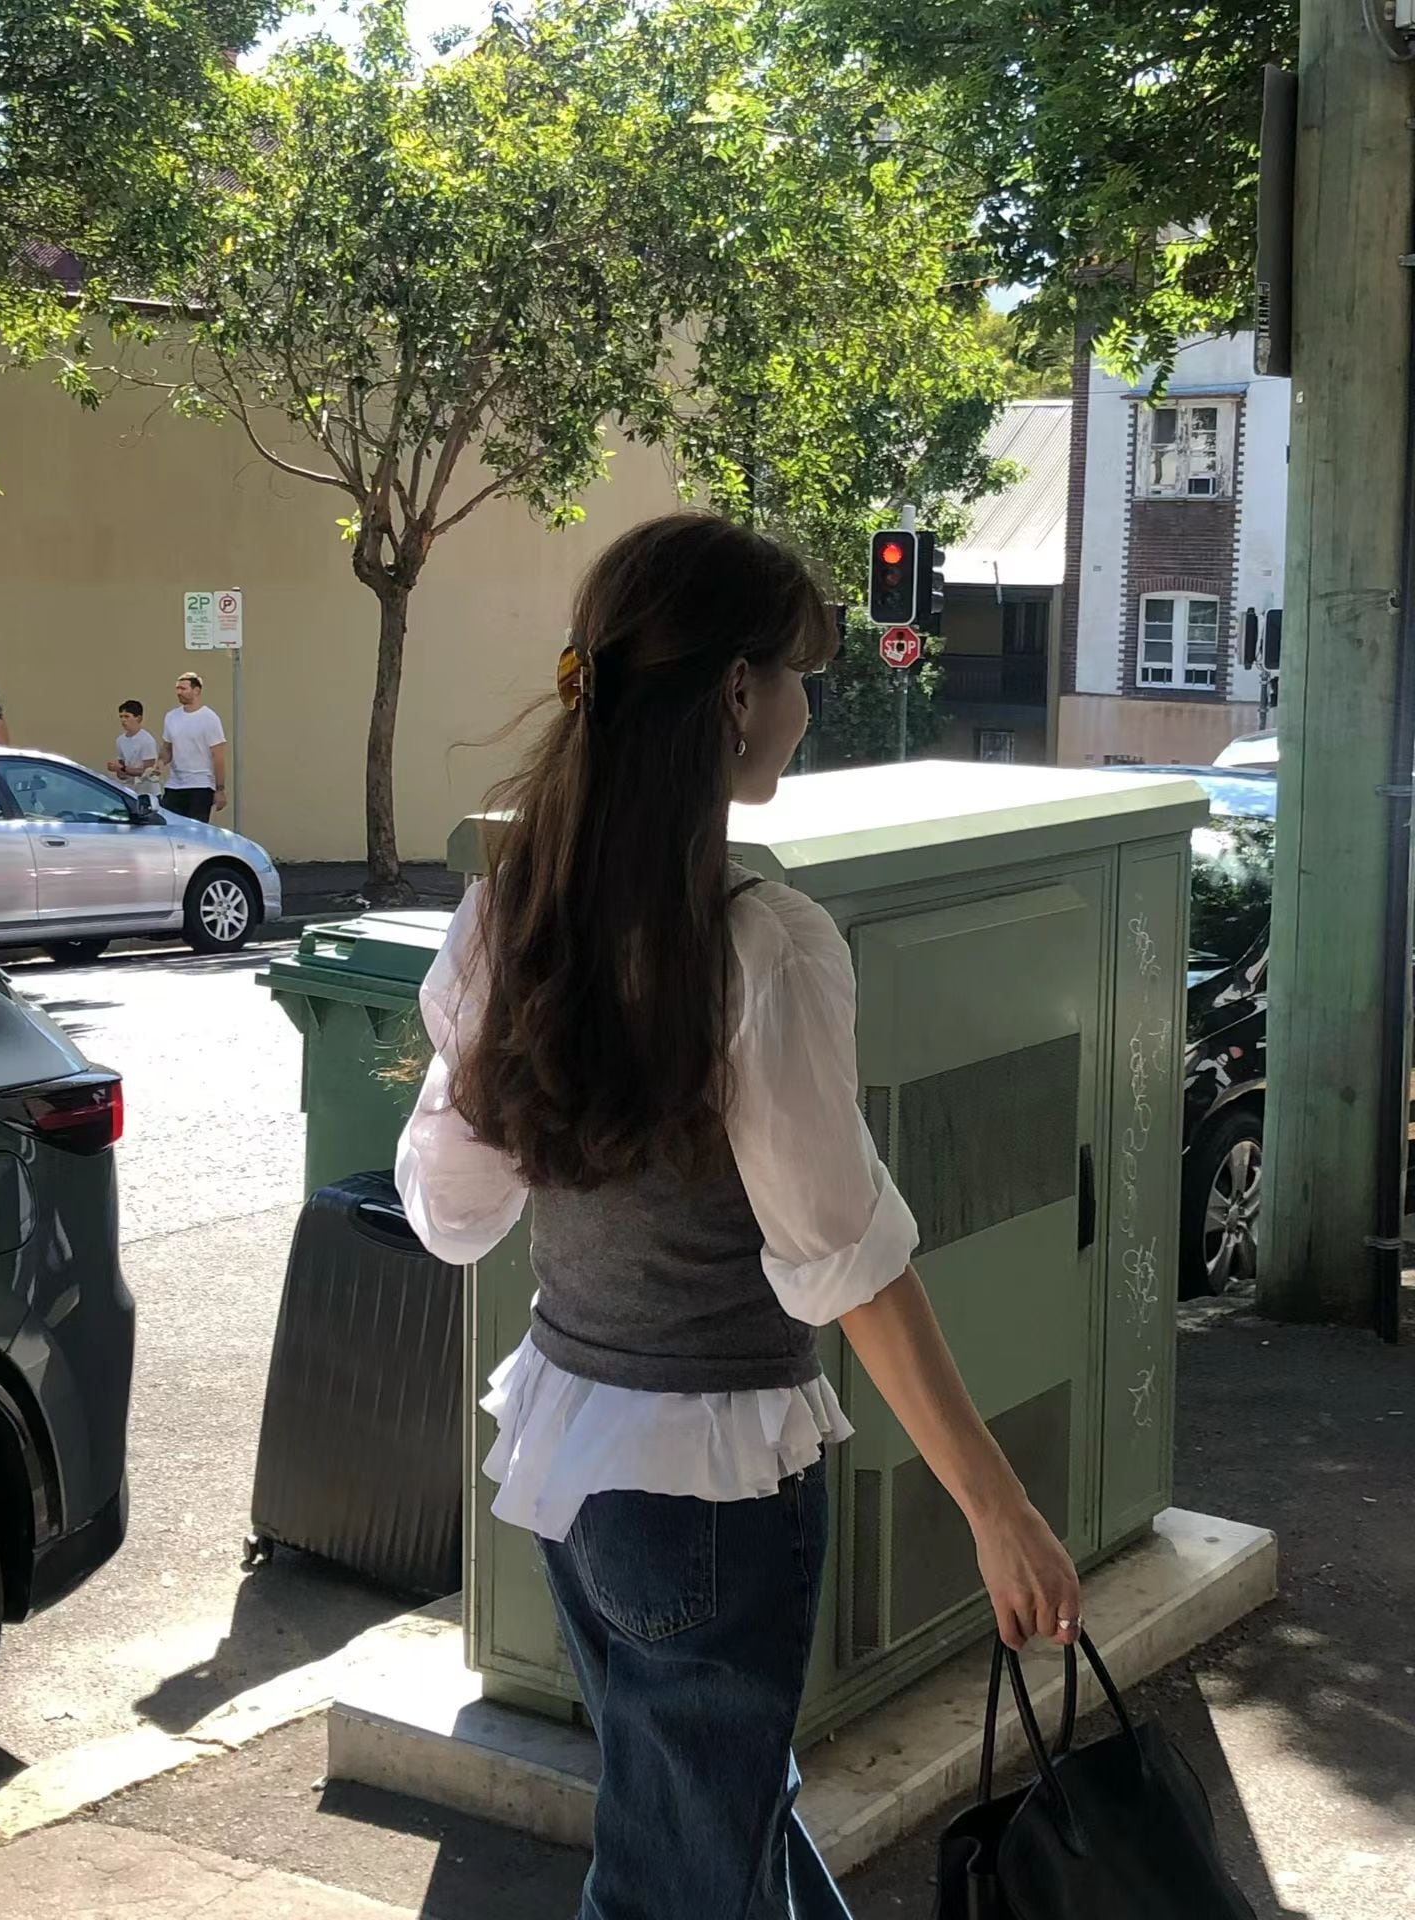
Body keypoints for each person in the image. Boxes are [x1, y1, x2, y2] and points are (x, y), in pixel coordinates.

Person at [395, 514, 1081, 1920]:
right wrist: (999, 1508)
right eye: (800, 674)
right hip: (710, 1496)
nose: (809, 706)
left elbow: (452, 1215)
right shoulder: (761, 943)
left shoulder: (509, 913)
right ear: (734, 694)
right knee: (680, 1881)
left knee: (717, 1827)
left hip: (571, 1464)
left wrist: (492, 1059)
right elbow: (848, 1266)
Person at [159, 673, 226, 822]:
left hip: (201, 785)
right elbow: (167, 748)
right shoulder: (171, 717)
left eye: (183, 688)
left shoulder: (209, 718)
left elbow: (218, 756)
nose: (179, 692)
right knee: (169, 825)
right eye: (177, 688)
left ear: (196, 691)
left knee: (195, 829)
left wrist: (220, 789)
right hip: (175, 785)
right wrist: (161, 762)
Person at [107, 699, 161, 804]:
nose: (123, 720)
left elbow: (148, 771)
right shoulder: (120, 740)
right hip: (130, 792)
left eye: (127, 716)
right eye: (121, 717)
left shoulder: (147, 740)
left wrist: (123, 769)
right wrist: (117, 769)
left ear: (138, 718)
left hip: (148, 794)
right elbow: (122, 770)